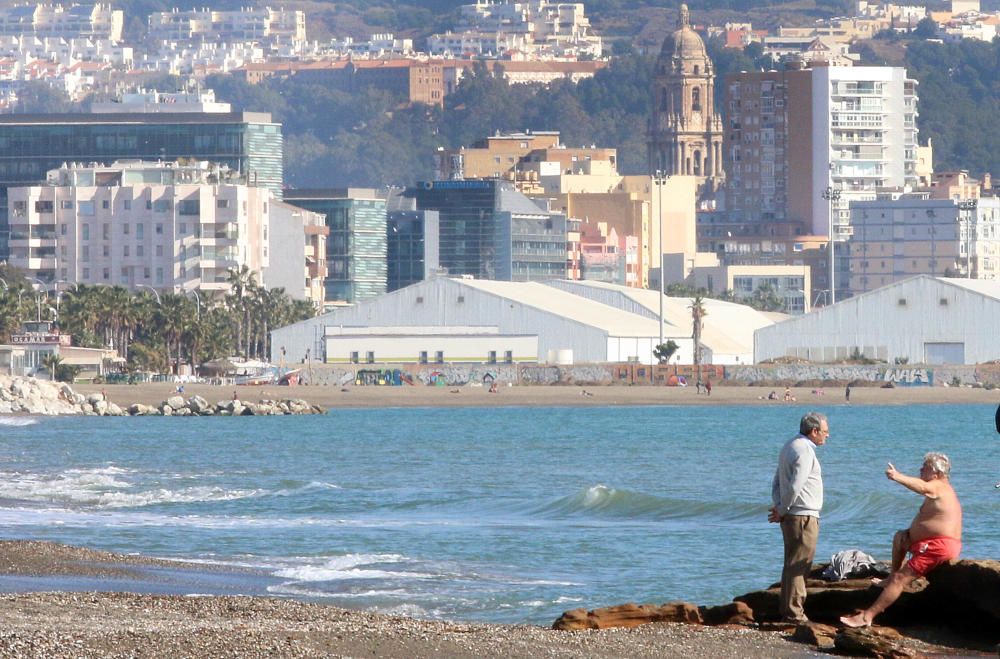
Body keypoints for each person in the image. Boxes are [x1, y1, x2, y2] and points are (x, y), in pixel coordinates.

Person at [840, 453, 962, 628]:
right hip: (931, 543)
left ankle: (867, 616)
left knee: (900, 579)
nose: (920, 469)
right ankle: (889, 578)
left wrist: (897, 477)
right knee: (900, 538)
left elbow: (921, 487)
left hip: (937, 547)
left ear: (935, 474)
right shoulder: (941, 488)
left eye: (924, 467)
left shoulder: (938, 486)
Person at [769, 412, 829, 624]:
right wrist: (783, 509)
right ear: (813, 431)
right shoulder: (804, 450)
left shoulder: (790, 445)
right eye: (824, 431)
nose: (827, 435)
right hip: (802, 514)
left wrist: (779, 506)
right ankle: (795, 613)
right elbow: (796, 483)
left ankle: (787, 609)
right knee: (800, 565)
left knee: (792, 562)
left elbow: (776, 482)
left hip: (793, 513)